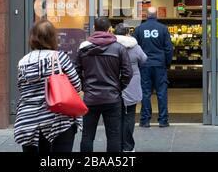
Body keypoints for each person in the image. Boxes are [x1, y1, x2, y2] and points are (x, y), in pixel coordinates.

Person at [14, 19, 82, 152]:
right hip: (57, 120)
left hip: (28, 121)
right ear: (52, 38)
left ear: (33, 37)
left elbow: (22, 89)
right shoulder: (59, 58)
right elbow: (77, 85)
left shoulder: (23, 61)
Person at [75, 17, 133, 152]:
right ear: (109, 29)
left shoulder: (84, 48)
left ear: (94, 29)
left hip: (90, 98)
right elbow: (127, 73)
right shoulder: (119, 48)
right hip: (112, 98)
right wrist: (119, 87)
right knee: (114, 136)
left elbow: (76, 71)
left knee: (87, 136)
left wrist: (85, 87)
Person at [133, 6, 173, 128]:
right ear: (157, 15)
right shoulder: (163, 29)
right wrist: (167, 63)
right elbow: (168, 48)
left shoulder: (139, 29)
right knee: (161, 93)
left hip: (144, 65)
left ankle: (145, 121)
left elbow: (134, 47)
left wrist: (138, 63)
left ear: (146, 15)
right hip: (159, 65)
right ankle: (163, 120)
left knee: (145, 93)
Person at [114, 23, 147, 152]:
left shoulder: (112, 46)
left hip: (116, 84)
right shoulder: (135, 46)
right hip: (132, 83)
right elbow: (144, 59)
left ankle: (118, 145)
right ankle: (128, 147)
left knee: (116, 116)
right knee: (130, 115)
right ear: (128, 33)